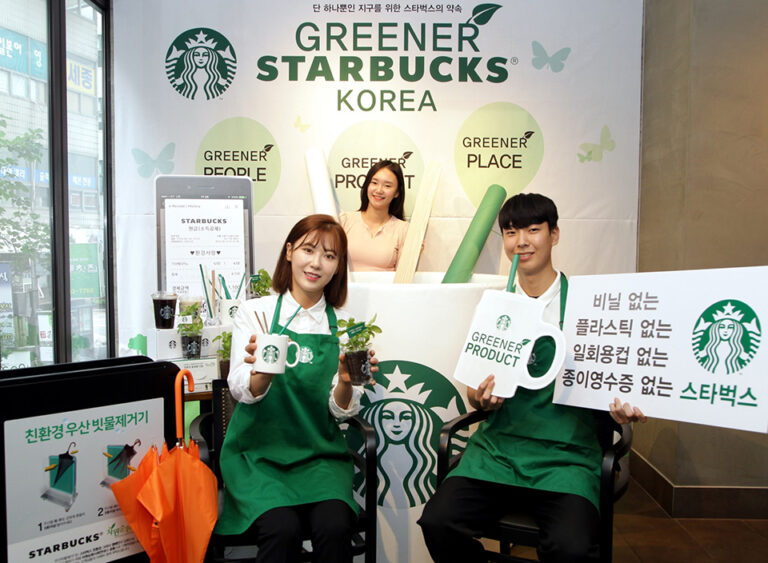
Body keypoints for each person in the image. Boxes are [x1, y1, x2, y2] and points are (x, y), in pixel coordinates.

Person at [418, 193, 645, 563]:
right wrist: (481, 398)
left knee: (570, 548)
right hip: (498, 452)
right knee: (438, 523)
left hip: (567, 458)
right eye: (511, 232)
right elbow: (475, 390)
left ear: (554, 235)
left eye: (533, 230)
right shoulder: (495, 308)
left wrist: (619, 408)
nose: (521, 241)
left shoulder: (589, 306)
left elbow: (611, 383)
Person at [216, 214, 378, 563]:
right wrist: (262, 371)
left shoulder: (345, 328)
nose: (316, 263)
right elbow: (241, 390)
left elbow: (341, 411)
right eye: (308, 250)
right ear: (289, 251)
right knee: (281, 529)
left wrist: (346, 383)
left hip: (320, 458)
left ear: (338, 267)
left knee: (335, 526)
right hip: (259, 458)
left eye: (329, 256)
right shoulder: (255, 313)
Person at [339, 159, 409, 271]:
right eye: (374, 183)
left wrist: (413, 254)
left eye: (387, 186)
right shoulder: (344, 220)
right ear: (367, 185)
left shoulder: (403, 229)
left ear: (397, 192)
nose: (379, 190)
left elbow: (403, 276)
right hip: (346, 283)